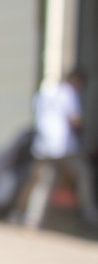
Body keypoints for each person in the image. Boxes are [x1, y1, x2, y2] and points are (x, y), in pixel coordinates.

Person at [20, 70, 98, 229]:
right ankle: (88, 211)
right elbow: (75, 121)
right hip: (63, 145)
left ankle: (32, 220)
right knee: (84, 174)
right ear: (76, 81)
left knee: (43, 183)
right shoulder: (69, 93)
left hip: (43, 145)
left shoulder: (45, 93)